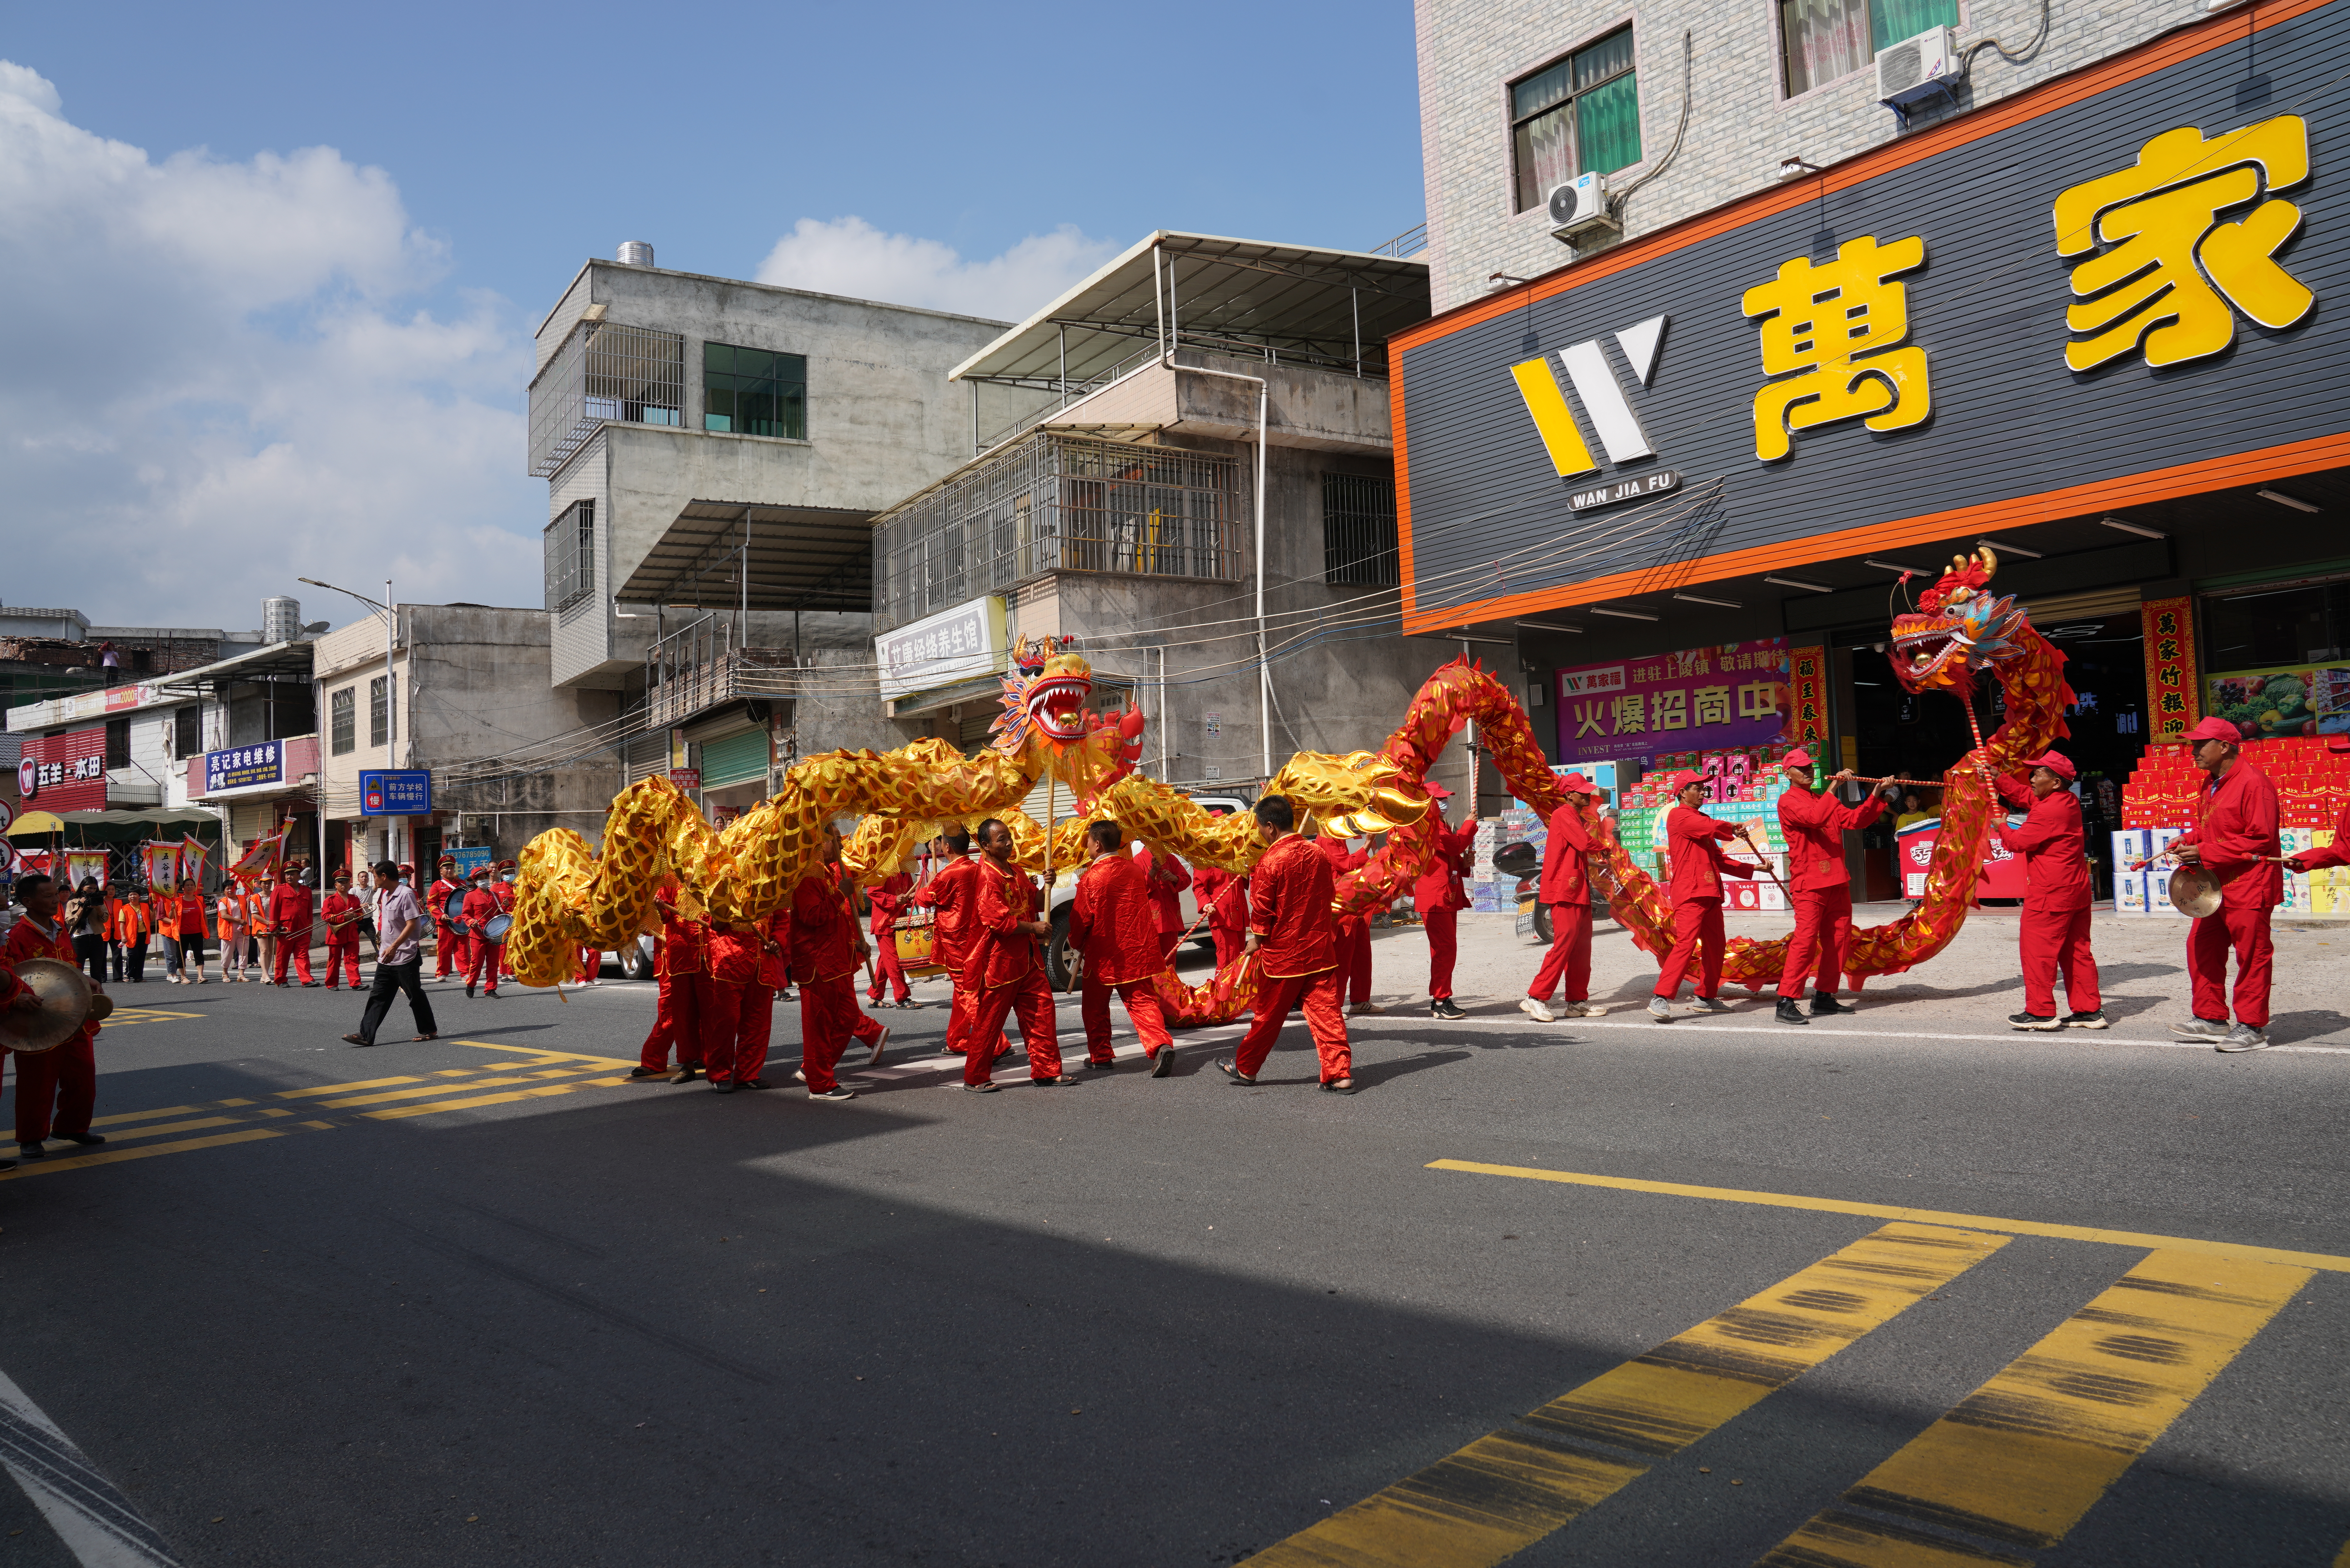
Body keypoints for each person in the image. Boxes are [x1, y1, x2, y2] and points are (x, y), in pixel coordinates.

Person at [1216, 795, 1353, 1091]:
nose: (1259, 834)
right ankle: (1340, 1073)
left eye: (1259, 829)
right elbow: (1328, 895)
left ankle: (1247, 1068)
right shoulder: (1317, 853)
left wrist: (1259, 938)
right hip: (1319, 950)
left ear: (1270, 827)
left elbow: (1263, 910)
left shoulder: (1271, 861)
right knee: (1328, 1014)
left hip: (1283, 956)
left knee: (1267, 1017)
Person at [2170, 716, 2281, 1051]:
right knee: (2201, 947)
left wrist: (2203, 850)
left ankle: (2251, 1026)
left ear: (2224, 746)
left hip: (2249, 884)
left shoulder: (2254, 783)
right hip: (2215, 885)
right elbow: (2212, 829)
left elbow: (2259, 839)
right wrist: (2189, 839)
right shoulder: (2210, 783)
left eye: (2199, 744)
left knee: (2252, 955)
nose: (2193, 752)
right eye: (2192, 745)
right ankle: (2211, 1018)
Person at [1768, 750, 1894, 1026]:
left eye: (1810, 767)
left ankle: (1824, 994)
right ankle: (1786, 1001)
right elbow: (1814, 819)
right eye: (1801, 769)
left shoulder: (1821, 798)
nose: (1809, 772)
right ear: (1787, 774)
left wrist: (1876, 794)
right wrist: (1835, 787)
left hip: (1836, 878)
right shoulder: (1788, 801)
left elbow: (1854, 821)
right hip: (1810, 882)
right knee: (1805, 941)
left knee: (1839, 939)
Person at [3, 873, 113, 1160]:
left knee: (82, 1078)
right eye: (49, 896)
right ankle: (31, 1137)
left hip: (75, 1017)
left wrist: (83, 977)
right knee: (37, 1082)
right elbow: (12, 978)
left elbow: (69, 964)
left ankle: (72, 1127)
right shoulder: (16, 936)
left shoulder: (61, 926)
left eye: (56, 894)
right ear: (28, 901)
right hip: (38, 1021)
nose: (56, 900)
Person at [1993, 750, 2104, 1030]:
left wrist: (2001, 827)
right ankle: (2088, 1011)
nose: (2031, 778)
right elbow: (2025, 797)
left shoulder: (2048, 809)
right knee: (2077, 950)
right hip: (2074, 888)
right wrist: (1999, 779)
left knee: (2037, 951)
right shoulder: (2065, 799)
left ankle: (2041, 1012)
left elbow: (2018, 843)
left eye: (2038, 774)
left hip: (2051, 890)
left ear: (2055, 782)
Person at [1648, 772, 1762, 1021]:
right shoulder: (1679, 816)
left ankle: (1706, 995)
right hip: (1690, 892)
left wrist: (1753, 868)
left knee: (1716, 945)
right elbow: (1711, 828)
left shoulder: (1702, 819)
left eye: (1704, 789)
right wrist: (1733, 828)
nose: (1703, 792)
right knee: (1686, 945)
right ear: (1682, 793)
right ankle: (1661, 996)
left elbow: (1719, 859)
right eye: (1697, 788)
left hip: (1709, 891)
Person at [962, 818, 1064, 1093]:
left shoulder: (1015, 871)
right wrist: (1033, 927)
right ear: (985, 846)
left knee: (1042, 1012)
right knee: (990, 1020)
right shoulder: (985, 876)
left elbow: (1034, 902)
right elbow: (997, 921)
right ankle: (975, 1077)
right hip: (1000, 960)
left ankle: (1046, 1071)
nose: (1009, 843)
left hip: (1029, 958)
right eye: (1001, 840)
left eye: (1009, 837)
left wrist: (1048, 886)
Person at [1069, 821, 1177, 1076]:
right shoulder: (1133, 870)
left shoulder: (1091, 877)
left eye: (1088, 842)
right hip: (1137, 950)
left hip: (1103, 954)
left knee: (1095, 1006)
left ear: (1097, 844)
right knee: (1142, 1001)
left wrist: (1076, 942)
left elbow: (1081, 918)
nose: (1087, 846)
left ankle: (1101, 1055)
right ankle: (1160, 1044)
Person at [789, 824, 889, 1101]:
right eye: (835, 839)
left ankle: (815, 1070)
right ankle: (820, 1084)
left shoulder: (823, 875)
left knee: (846, 1020)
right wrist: (840, 894)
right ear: (820, 843)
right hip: (817, 964)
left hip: (837, 961)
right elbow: (813, 917)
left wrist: (854, 943)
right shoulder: (807, 877)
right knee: (818, 1026)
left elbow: (834, 923)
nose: (841, 845)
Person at [911, 827, 1006, 1060]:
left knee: (967, 993)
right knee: (962, 991)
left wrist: (928, 884)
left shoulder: (949, 874)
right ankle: (957, 1039)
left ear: (948, 848)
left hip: (956, 940)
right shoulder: (979, 868)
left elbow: (925, 899)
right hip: (977, 938)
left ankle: (997, 1043)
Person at [1522, 773, 1605, 1021]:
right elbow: (1583, 843)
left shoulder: (1576, 818)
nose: (1588, 795)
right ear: (1569, 795)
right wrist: (1606, 850)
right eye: (1583, 792)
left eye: (1589, 791)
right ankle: (1536, 997)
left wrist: (1601, 863)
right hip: (1563, 891)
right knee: (1564, 945)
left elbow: (1577, 854)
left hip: (1579, 890)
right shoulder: (1563, 815)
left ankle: (1578, 1001)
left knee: (1582, 948)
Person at [344, 861, 439, 1046]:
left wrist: (394, 946)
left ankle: (429, 1030)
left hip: (404, 956)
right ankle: (366, 1034)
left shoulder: (406, 894)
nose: (374, 880)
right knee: (378, 996)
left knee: (415, 995)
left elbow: (412, 924)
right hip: (386, 956)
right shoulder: (385, 895)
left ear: (384, 877)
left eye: (376, 877)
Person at [634, 879, 709, 1081]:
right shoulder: (666, 881)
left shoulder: (708, 874)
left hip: (707, 952)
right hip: (675, 957)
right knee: (672, 1011)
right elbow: (652, 924)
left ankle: (704, 1055)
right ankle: (653, 1060)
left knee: (706, 1007)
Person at [1415, 786, 1477, 1019]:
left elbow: (1450, 855)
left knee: (1444, 948)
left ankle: (1440, 999)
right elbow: (1454, 845)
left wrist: (1464, 863)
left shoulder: (1441, 825)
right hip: (1434, 895)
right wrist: (1468, 825)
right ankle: (1441, 1000)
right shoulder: (1426, 826)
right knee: (1445, 948)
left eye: (1445, 798)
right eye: (1439, 799)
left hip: (1445, 893)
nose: (1444, 802)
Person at [1313, 828, 1381, 1018]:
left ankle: (1360, 1000)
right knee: (1342, 956)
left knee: (1362, 955)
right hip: (1339, 905)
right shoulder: (1326, 839)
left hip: (1354, 901)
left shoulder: (1338, 836)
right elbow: (1347, 864)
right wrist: (1367, 844)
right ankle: (1333, 1005)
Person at [864, 869, 917, 1008]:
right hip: (884, 924)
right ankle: (902, 997)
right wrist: (895, 899)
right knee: (894, 961)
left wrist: (911, 898)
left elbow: (906, 898)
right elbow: (872, 892)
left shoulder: (907, 873)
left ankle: (874, 996)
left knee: (886, 961)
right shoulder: (884, 871)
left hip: (899, 923)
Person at [1135, 843, 1192, 961]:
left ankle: (1170, 980)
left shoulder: (1170, 858)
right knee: (1154, 961)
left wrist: (1174, 878)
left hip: (1171, 916)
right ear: (1145, 841)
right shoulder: (1137, 861)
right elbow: (1136, 890)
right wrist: (1153, 872)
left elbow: (1186, 879)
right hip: (1152, 919)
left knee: (1171, 960)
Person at [1192, 863, 1252, 975]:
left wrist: (1247, 869)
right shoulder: (1204, 860)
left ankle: (1235, 989)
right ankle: (1223, 990)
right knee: (1227, 959)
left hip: (1239, 913)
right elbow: (1198, 886)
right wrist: (1206, 903)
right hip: (1221, 915)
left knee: (1240, 958)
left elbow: (1244, 880)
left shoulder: (1235, 857)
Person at [269, 864, 318, 987]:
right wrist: (273, 927)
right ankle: (280, 979)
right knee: (283, 956)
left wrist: (310, 929)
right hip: (286, 929)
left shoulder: (307, 891)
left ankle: (306, 979)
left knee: (303, 955)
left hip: (303, 929)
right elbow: (274, 909)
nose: (289, 877)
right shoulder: (279, 889)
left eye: (292, 874)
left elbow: (309, 912)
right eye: (287, 874)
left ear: (298, 875)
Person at [459, 867, 502, 999]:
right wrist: (471, 921)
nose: (484, 881)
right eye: (481, 879)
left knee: (493, 963)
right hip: (478, 935)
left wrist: (504, 907)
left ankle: (490, 989)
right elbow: (465, 914)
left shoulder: (495, 896)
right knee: (477, 963)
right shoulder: (470, 896)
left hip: (494, 935)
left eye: (486, 878)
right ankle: (471, 984)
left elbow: (500, 914)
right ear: (476, 882)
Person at [321, 873, 366, 989]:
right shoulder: (330, 900)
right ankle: (331, 984)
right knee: (334, 961)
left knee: (353, 959)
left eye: (346, 882)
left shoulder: (354, 899)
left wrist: (356, 915)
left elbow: (361, 914)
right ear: (336, 885)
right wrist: (343, 918)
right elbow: (325, 916)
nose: (344, 885)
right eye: (341, 883)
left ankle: (356, 983)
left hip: (352, 934)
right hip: (336, 935)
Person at [427, 857, 465, 981]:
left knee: (462, 949)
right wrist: (439, 915)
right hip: (445, 922)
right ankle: (441, 973)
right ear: (441, 872)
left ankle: (465, 973)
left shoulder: (462, 884)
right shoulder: (437, 885)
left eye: (452, 868)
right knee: (444, 949)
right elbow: (431, 904)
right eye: (446, 868)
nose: (449, 870)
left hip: (461, 922)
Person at [66, 876, 108, 983]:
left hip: (96, 938)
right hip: (79, 938)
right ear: (82, 887)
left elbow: (106, 919)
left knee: (96, 971)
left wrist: (98, 909)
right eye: (90, 888)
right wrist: (81, 908)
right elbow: (70, 921)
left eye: (95, 889)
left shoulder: (99, 901)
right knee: (77, 970)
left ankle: (98, 996)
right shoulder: (73, 903)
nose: (92, 891)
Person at [169, 876, 209, 984]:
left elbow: (204, 915)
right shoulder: (177, 901)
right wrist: (172, 908)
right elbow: (172, 917)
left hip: (197, 932)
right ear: (183, 888)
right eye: (187, 885)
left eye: (192, 885)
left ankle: (200, 976)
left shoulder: (199, 900)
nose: (190, 887)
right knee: (181, 955)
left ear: (195, 887)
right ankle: (183, 977)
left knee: (199, 953)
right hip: (182, 933)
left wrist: (206, 927)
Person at [111, 883, 152, 984]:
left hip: (144, 934)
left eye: (135, 895)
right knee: (132, 955)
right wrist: (123, 935)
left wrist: (154, 910)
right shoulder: (124, 909)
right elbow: (122, 923)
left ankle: (139, 977)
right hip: (131, 936)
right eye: (130, 895)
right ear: (128, 897)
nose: (133, 897)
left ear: (139, 896)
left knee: (142, 956)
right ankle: (128, 974)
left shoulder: (145, 906)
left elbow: (151, 919)